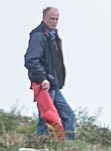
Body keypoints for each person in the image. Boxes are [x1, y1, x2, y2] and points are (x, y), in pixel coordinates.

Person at [24, 6, 75, 140]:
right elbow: (30, 60)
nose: (54, 21)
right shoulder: (39, 36)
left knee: (68, 115)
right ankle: (39, 145)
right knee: (46, 118)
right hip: (45, 85)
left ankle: (69, 148)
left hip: (54, 84)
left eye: (57, 19)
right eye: (52, 18)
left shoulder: (53, 36)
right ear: (44, 18)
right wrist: (42, 79)